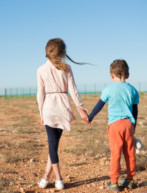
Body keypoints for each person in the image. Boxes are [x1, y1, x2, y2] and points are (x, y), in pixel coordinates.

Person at [37, 38, 89, 190]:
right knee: (53, 144)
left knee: (53, 145)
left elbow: (40, 95)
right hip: (62, 109)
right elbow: (73, 91)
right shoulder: (66, 68)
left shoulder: (40, 70)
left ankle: (58, 179)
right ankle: (47, 177)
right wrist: (81, 108)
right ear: (62, 53)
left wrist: (41, 113)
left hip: (48, 109)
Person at [88, 59, 139, 192]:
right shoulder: (133, 90)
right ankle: (130, 180)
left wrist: (90, 117)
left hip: (115, 126)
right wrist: (134, 126)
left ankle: (114, 183)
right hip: (129, 125)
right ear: (127, 75)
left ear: (112, 75)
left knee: (116, 153)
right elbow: (135, 111)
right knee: (129, 153)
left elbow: (99, 105)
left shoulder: (108, 89)